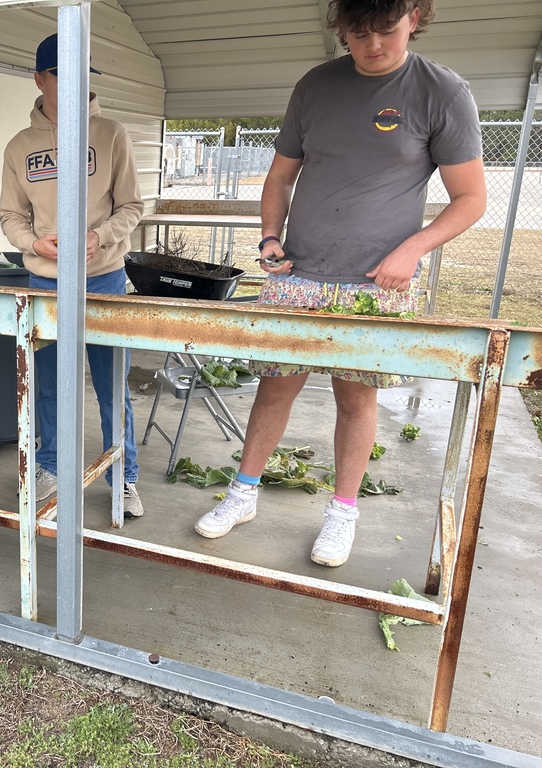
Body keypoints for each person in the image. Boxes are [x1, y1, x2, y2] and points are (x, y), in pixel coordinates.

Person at [194, 0, 486, 566]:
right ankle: (242, 492)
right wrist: (269, 237)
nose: (373, 44)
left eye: (386, 29)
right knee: (275, 385)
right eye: (358, 33)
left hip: (376, 283)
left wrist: (413, 248)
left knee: (357, 398)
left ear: (415, 18)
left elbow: (470, 198)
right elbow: (281, 175)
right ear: (341, 30)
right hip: (297, 272)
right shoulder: (316, 86)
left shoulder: (442, 93)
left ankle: (342, 512)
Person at [0, 32, 146, 517]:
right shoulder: (20, 147)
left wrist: (100, 236)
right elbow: (10, 215)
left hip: (103, 278)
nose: (75, 84)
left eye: (83, 74)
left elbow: (131, 206)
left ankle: (123, 476)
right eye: (63, 74)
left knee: (112, 382)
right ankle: (52, 467)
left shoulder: (111, 134)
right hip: (46, 282)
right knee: (49, 385)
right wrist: (33, 243)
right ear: (40, 79)